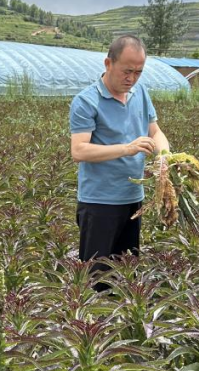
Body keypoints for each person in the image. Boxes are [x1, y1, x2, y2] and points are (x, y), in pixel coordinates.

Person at [69, 34, 170, 288]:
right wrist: (127, 148)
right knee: (97, 279)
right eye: (127, 71)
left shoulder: (140, 93)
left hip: (133, 200)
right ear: (108, 63)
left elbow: (154, 131)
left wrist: (164, 157)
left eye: (138, 72)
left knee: (127, 274)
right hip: (99, 202)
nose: (132, 78)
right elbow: (79, 150)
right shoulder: (86, 101)